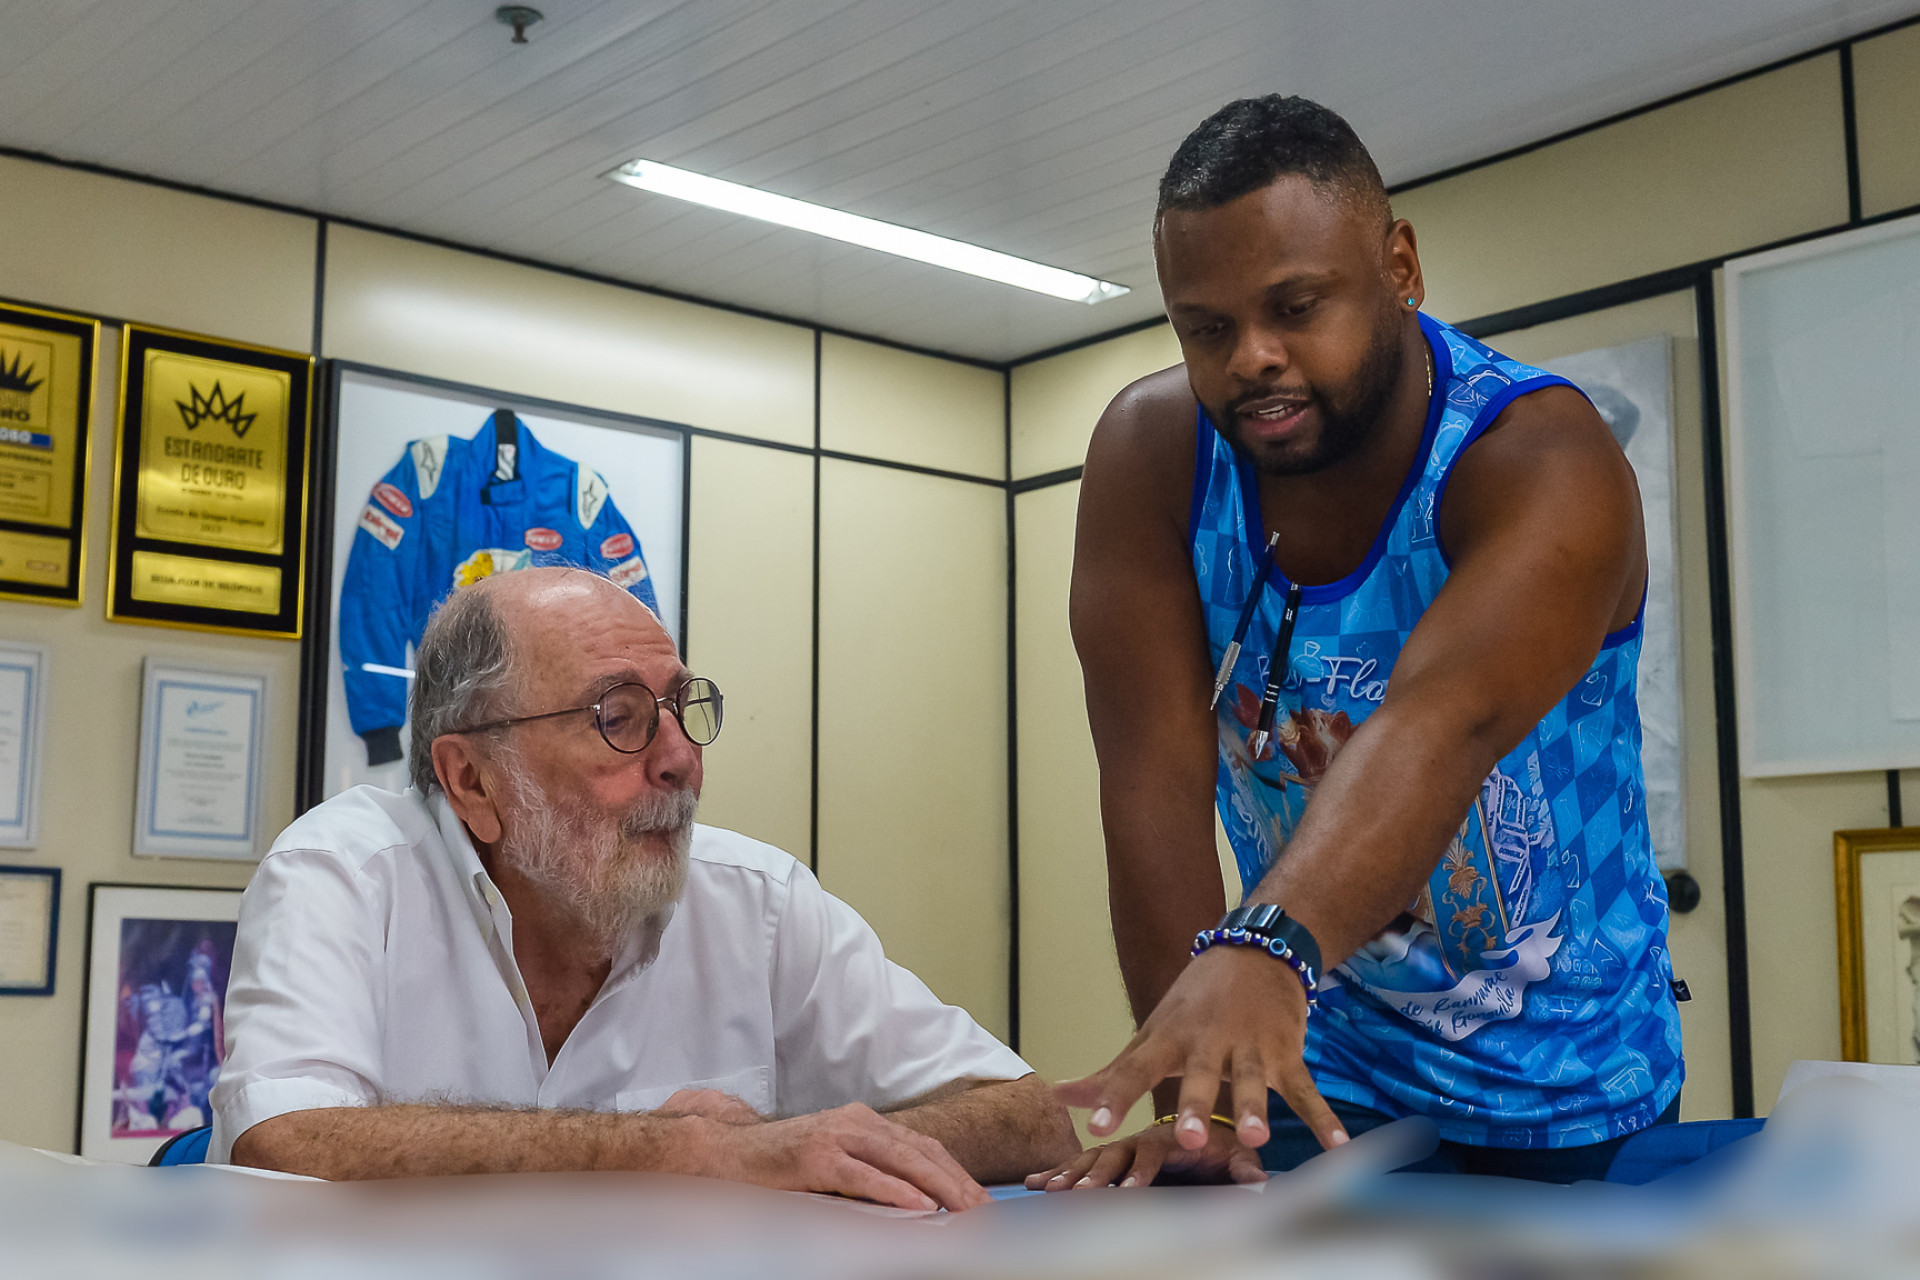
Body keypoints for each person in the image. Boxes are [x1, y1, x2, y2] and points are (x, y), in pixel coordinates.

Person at [1032, 96, 1683, 1190]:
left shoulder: (1539, 458)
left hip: (1564, 1080)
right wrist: (1198, 1104)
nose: (1254, 358)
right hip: (1311, 1066)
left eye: (1296, 305)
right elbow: (1151, 788)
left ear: (1400, 264)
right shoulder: (1154, 460)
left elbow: (1443, 719)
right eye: (1207, 328)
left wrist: (1267, 946)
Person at [212, 566, 1077, 1209]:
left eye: (681, 708)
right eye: (617, 719)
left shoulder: (758, 901)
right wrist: (676, 1152)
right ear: (471, 780)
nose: (681, 759)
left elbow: (1029, 1118)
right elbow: (283, 1142)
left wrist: (782, 1149)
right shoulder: (343, 872)